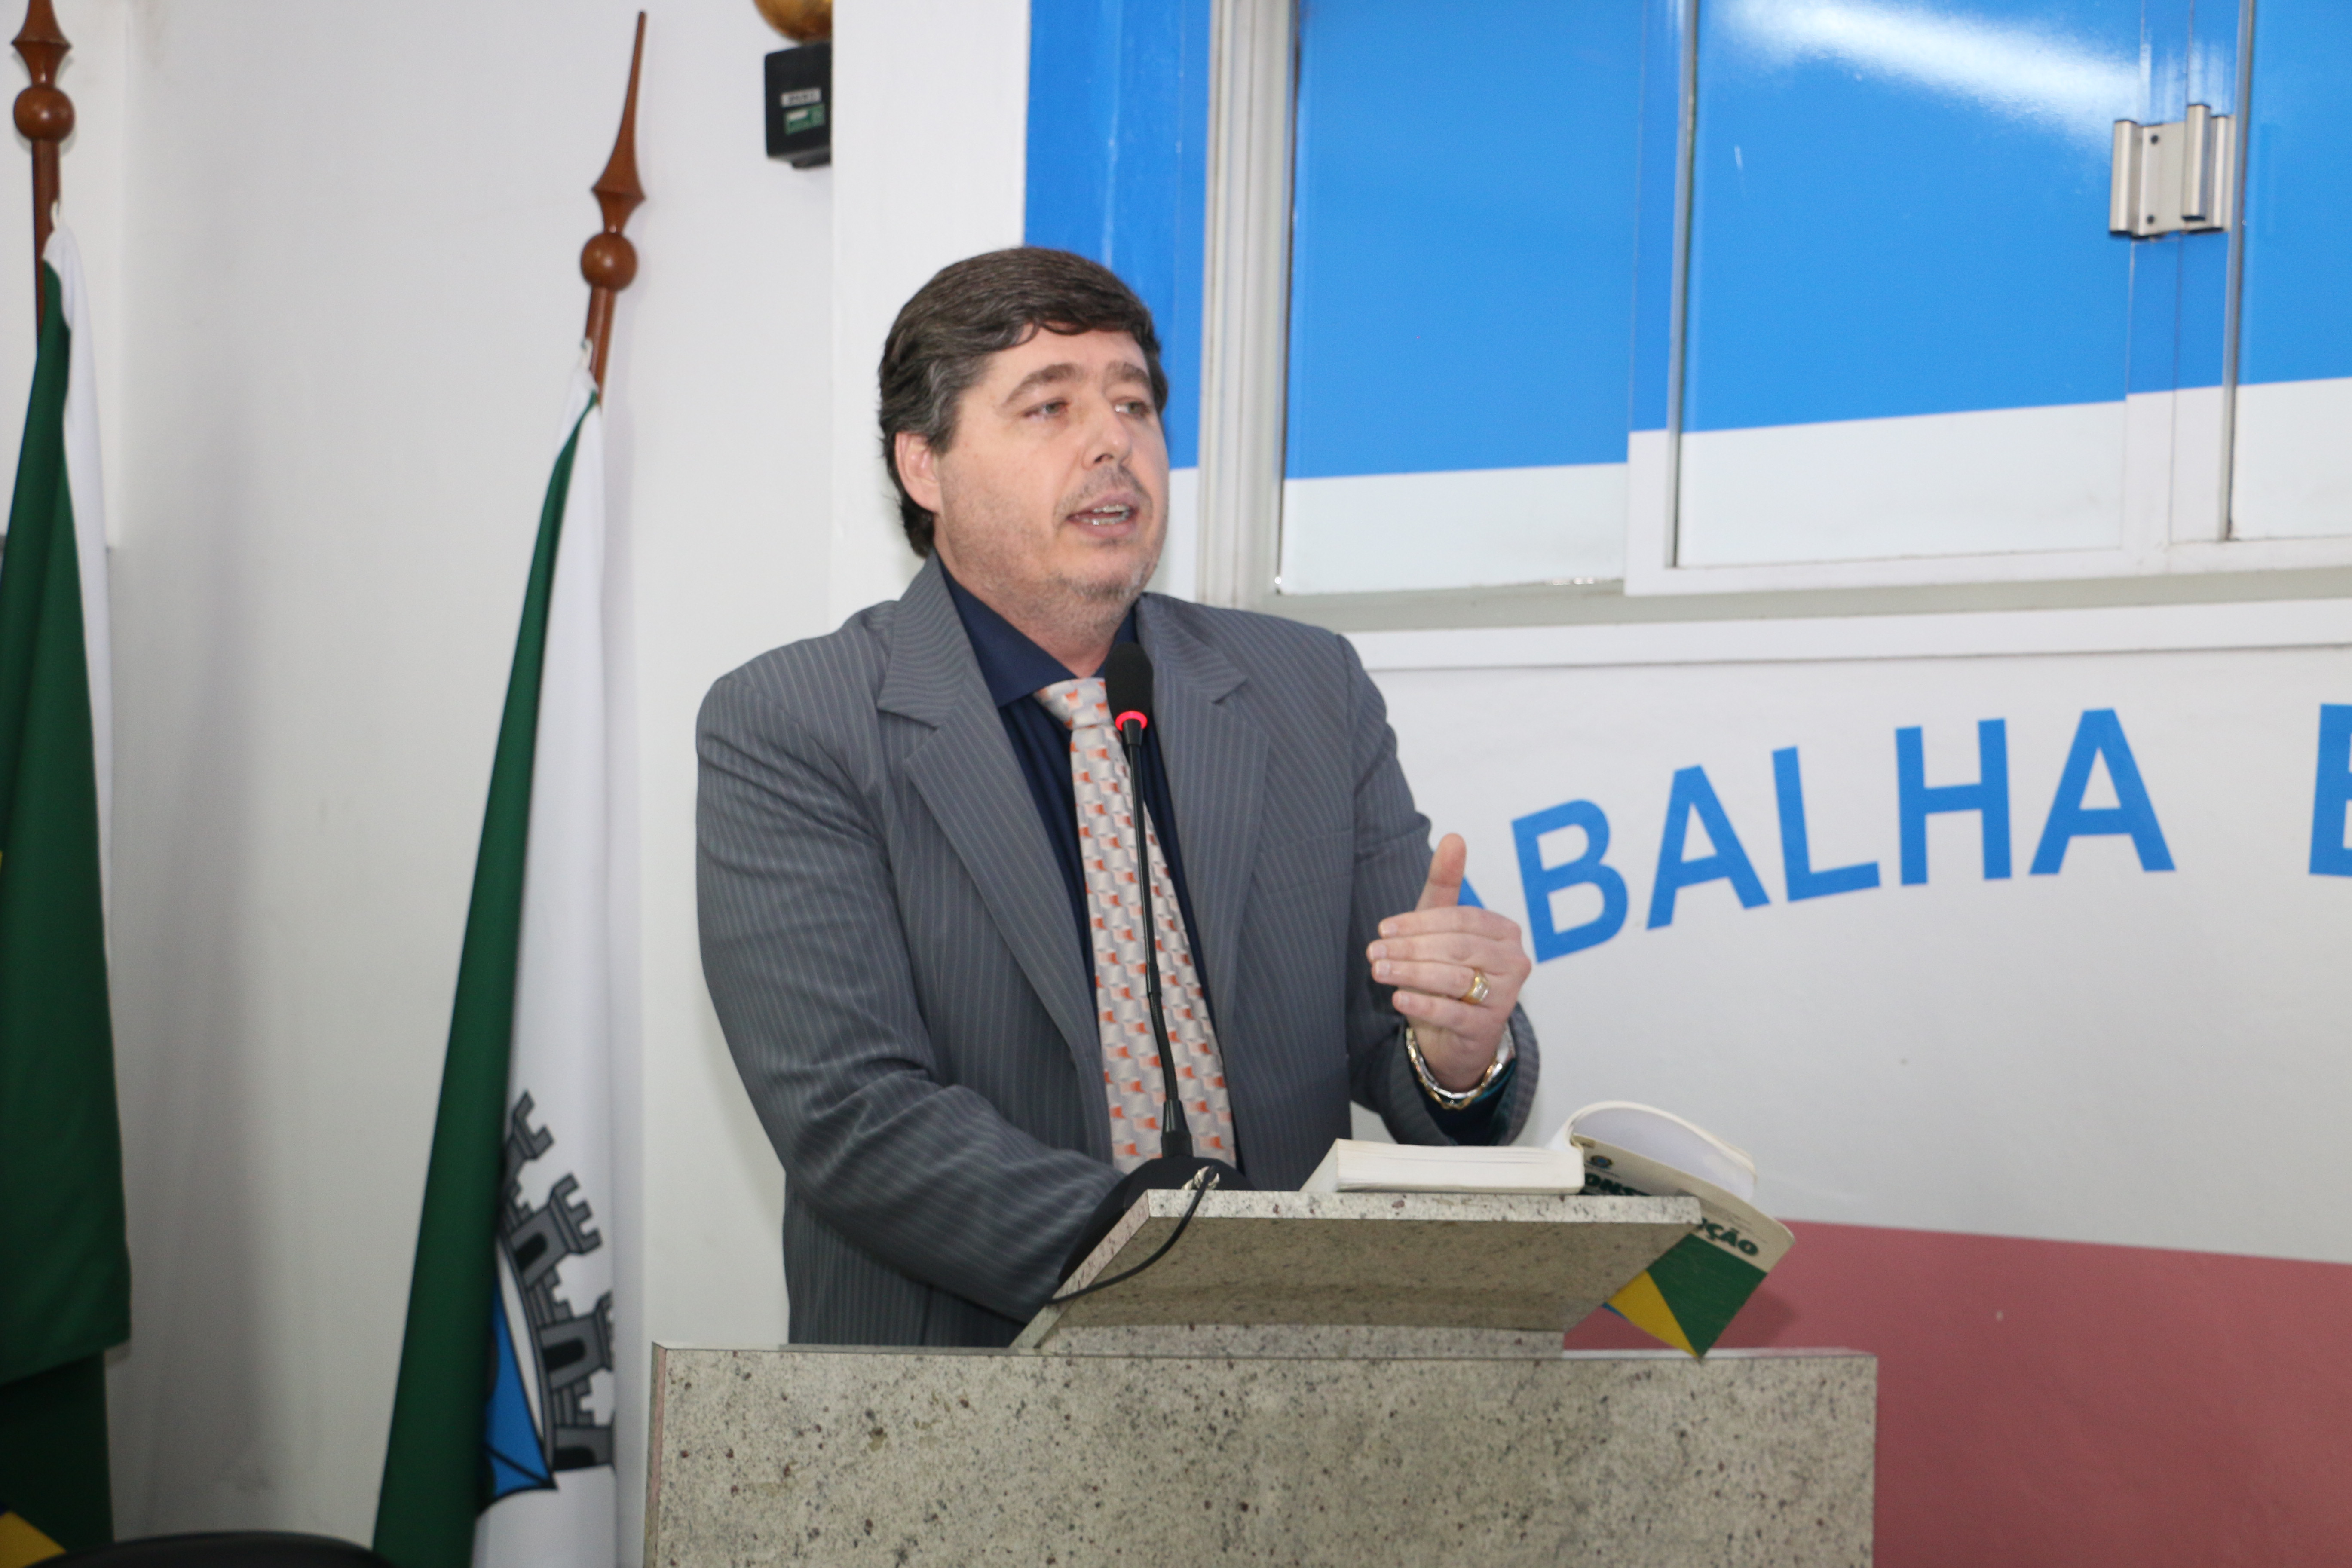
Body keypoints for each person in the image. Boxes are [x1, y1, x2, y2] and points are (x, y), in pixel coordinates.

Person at [697, 248, 1540, 1348]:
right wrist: (1194, 1260)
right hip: (959, 1393)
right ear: (924, 466)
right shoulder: (794, 722)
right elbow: (852, 1120)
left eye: (1134, 405)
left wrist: (1459, 1054)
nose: (1114, 443)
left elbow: (1404, 1049)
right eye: (1050, 407)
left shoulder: (1308, 689)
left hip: (1291, 1383)